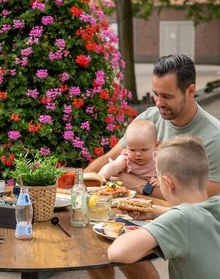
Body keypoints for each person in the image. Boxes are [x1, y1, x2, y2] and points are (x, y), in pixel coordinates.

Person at [87, 54, 220, 279]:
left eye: (167, 96)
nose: (158, 102)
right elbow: (112, 156)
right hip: (159, 216)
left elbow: (197, 202)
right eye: (156, 94)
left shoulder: (214, 137)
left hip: (176, 226)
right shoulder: (151, 117)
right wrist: (88, 178)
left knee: (114, 246)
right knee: (96, 239)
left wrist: (139, 186)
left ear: (190, 91)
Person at [108, 135, 220, 279]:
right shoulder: (215, 203)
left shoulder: (181, 219)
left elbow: (117, 253)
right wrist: (155, 211)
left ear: (168, 183)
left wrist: (161, 220)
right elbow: (198, 215)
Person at [98, 119, 158, 185]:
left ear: (156, 146)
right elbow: (113, 167)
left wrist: (159, 180)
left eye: (144, 150)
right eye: (132, 150)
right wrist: (101, 176)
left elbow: (168, 173)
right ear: (127, 147)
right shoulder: (126, 160)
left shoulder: (158, 159)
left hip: (147, 193)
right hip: (127, 193)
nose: (138, 154)